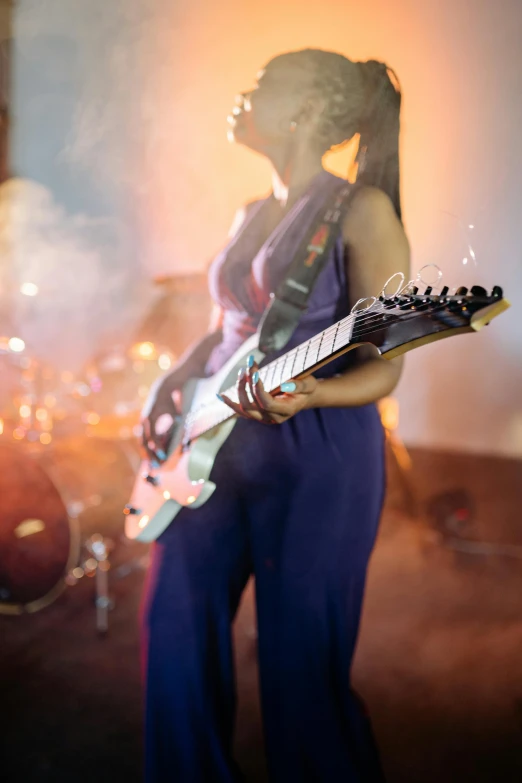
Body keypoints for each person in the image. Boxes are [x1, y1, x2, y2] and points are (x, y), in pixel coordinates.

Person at [141, 48, 410, 783]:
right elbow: (230, 326)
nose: (242, 93)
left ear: (303, 110)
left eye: (261, 84)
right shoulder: (250, 210)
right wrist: (174, 377)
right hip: (214, 448)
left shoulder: (362, 210)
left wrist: (314, 392)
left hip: (316, 456)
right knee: (172, 631)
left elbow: (387, 364)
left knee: (300, 668)